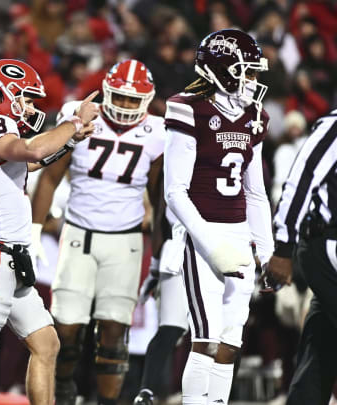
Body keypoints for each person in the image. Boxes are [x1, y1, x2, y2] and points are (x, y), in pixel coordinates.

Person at [0, 58, 99, 405]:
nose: (30, 108)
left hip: (10, 257)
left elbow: (33, 160)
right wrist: (72, 123)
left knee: (46, 343)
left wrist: (69, 142)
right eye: (25, 99)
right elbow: (33, 149)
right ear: (1, 94)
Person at [30, 59, 164, 405]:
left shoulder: (159, 132)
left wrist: (163, 250)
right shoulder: (79, 114)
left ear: (147, 100)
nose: (125, 105)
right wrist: (32, 230)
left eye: (134, 100)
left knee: (114, 332)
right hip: (79, 233)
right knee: (66, 327)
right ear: (106, 92)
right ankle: (62, 393)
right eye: (119, 97)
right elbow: (49, 175)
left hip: (126, 240)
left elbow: (161, 195)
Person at [163, 29, 273, 405]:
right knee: (206, 339)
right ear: (224, 69)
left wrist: (268, 249)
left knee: (230, 340)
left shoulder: (254, 115)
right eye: (248, 71)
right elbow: (174, 191)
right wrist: (209, 243)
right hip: (202, 234)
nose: (254, 81)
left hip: (239, 231)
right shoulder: (187, 107)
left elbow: (255, 192)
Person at [267, 109, 337, 405]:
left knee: (322, 343)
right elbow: (300, 179)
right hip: (328, 243)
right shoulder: (334, 127)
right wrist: (283, 248)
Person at [133, 208, 190, 405]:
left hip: (223, 246)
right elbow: (162, 214)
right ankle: (146, 392)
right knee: (171, 329)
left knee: (225, 337)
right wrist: (155, 265)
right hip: (180, 247)